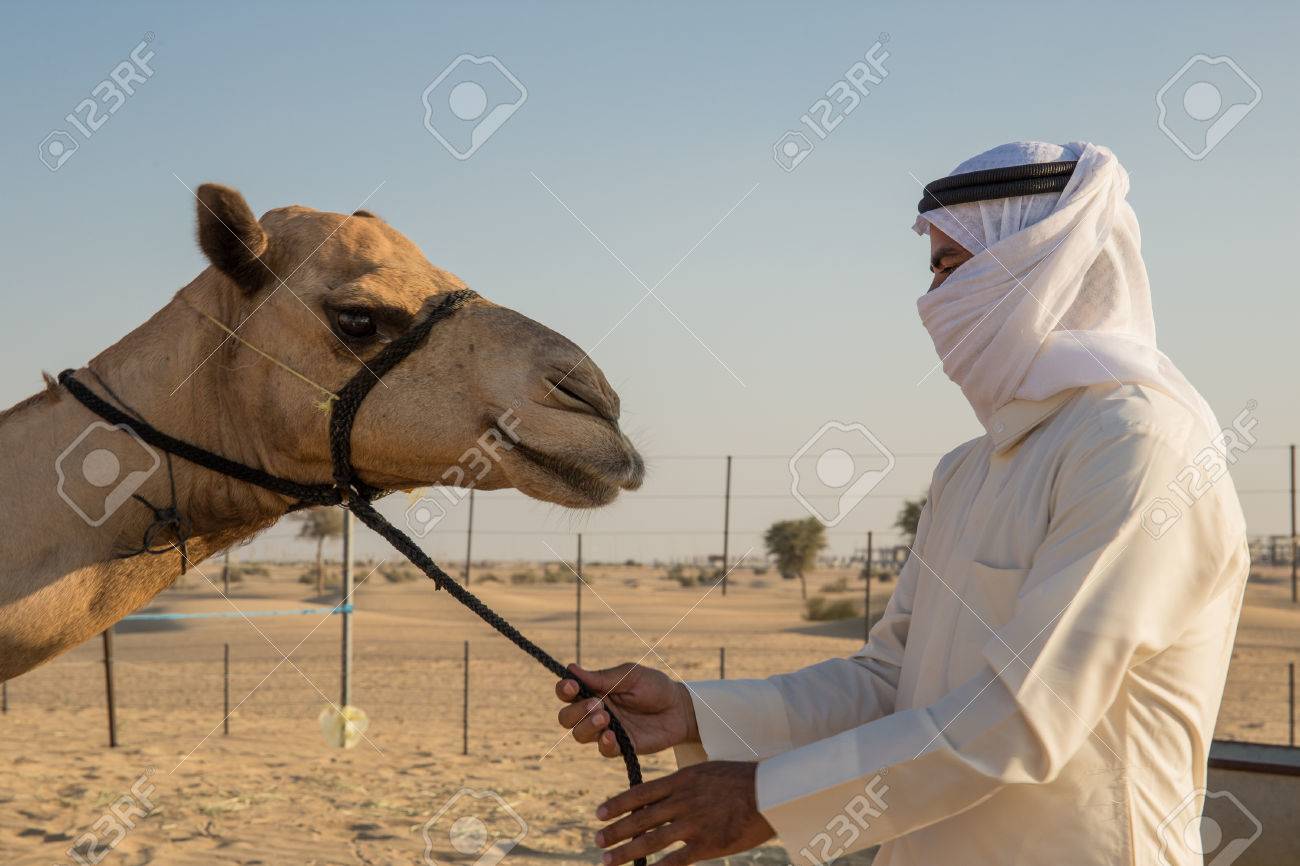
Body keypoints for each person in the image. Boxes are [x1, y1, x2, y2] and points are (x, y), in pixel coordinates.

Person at [555, 141, 1253, 866]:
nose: (934, 301)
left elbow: (1026, 716)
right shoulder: (969, 470)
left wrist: (763, 800)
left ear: (1040, 262)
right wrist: (696, 711)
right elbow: (891, 682)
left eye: (953, 265)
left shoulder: (1142, 446)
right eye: (933, 269)